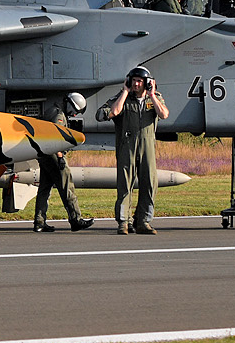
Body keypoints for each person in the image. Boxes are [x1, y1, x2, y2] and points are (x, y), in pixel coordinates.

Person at [96, 66, 169, 234]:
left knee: (149, 184)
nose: (136, 84)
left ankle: (143, 221)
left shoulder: (155, 99)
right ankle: (124, 222)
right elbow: (111, 112)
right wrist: (124, 92)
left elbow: (164, 114)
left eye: (140, 81)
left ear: (147, 83)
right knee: (125, 184)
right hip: (126, 146)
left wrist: (151, 94)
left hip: (147, 147)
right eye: (134, 80)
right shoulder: (123, 99)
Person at [32, 94, 94, 232]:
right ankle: (76, 219)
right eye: (75, 110)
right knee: (67, 185)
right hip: (53, 154)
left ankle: (39, 222)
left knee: (45, 188)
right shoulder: (58, 115)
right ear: (70, 104)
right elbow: (55, 135)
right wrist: (60, 157)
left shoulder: (52, 110)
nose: (74, 114)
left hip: (44, 154)